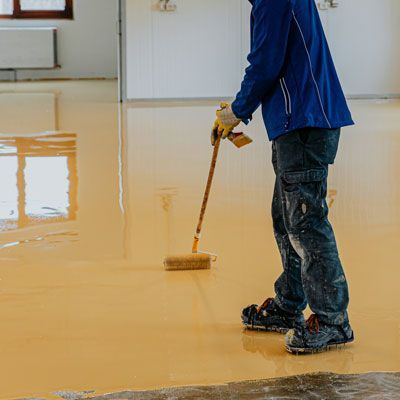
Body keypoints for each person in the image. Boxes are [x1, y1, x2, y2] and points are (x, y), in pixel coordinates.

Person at [212, 0, 354, 354]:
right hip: (297, 121)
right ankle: (290, 304)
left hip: (304, 121)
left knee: (305, 223)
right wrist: (237, 110)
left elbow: (265, 63)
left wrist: (236, 111)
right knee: (287, 218)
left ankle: (333, 320)